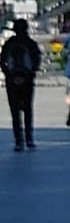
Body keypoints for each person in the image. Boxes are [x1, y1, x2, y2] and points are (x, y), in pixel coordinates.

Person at [1, 18, 42, 150]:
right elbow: (36, 62)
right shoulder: (31, 44)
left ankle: (19, 140)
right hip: (27, 79)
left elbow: (2, 61)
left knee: (15, 111)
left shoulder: (9, 43)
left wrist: (10, 75)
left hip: (12, 80)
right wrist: (29, 75)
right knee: (27, 108)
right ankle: (29, 138)